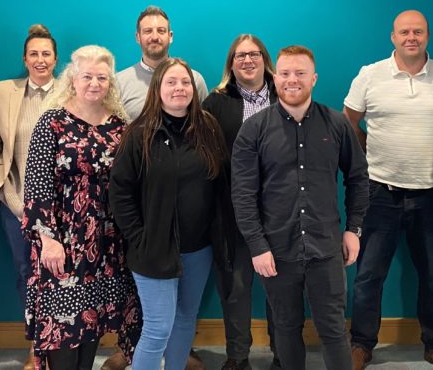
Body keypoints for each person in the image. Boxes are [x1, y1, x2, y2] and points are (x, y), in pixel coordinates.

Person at [344, 10, 433, 370]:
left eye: (418, 31)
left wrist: (431, 150)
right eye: (404, 32)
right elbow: (348, 120)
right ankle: (362, 344)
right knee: (368, 274)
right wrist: (372, 149)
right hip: (379, 192)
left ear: (427, 35)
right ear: (393, 36)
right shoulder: (370, 75)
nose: (411, 37)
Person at [232, 45, 369, 370]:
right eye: (285, 73)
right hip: (276, 252)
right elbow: (242, 193)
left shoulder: (336, 124)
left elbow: (358, 178)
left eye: (300, 73)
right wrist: (256, 245)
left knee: (334, 331)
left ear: (314, 78)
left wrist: (354, 229)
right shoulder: (254, 130)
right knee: (286, 329)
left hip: (326, 249)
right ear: (275, 76)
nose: (292, 80)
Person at [22, 45, 141, 370]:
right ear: (73, 79)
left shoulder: (119, 127)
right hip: (61, 246)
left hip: (106, 246)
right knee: (60, 331)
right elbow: (36, 184)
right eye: (87, 76)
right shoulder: (52, 123)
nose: (94, 83)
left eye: (101, 77)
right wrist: (47, 239)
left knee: (91, 325)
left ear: (110, 82)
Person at [110, 58, 230, 370]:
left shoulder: (209, 128)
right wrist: (139, 237)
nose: (179, 88)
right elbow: (120, 192)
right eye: (171, 82)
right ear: (158, 90)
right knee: (158, 327)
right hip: (153, 249)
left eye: (185, 82)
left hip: (198, 248)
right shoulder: (139, 134)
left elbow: (220, 183)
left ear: (194, 87)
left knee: (184, 321)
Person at [202, 34, 280, 370]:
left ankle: (285, 352)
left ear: (264, 58)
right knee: (234, 285)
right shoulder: (216, 102)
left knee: (281, 287)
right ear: (230, 64)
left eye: (253, 54)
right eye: (239, 55)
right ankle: (238, 356)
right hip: (231, 209)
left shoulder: (285, 94)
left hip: (281, 210)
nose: (247, 60)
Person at [0, 24, 58, 370]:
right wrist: (6, 192)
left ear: (55, 59)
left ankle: (59, 342)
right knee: (27, 272)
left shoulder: (71, 91)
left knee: (59, 275)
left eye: (46, 54)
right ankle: (36, 348)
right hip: (14, 202)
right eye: (33, 54)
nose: (40, 60)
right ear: (24, 59)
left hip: (60, 208)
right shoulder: (2, 91)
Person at [117, 5, 209, 121]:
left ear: (170, 36)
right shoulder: (119, 83)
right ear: (138, 37)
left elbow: (205, 127)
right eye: (148, 31)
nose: (155, 37)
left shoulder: (194, 80)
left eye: (161, 31)